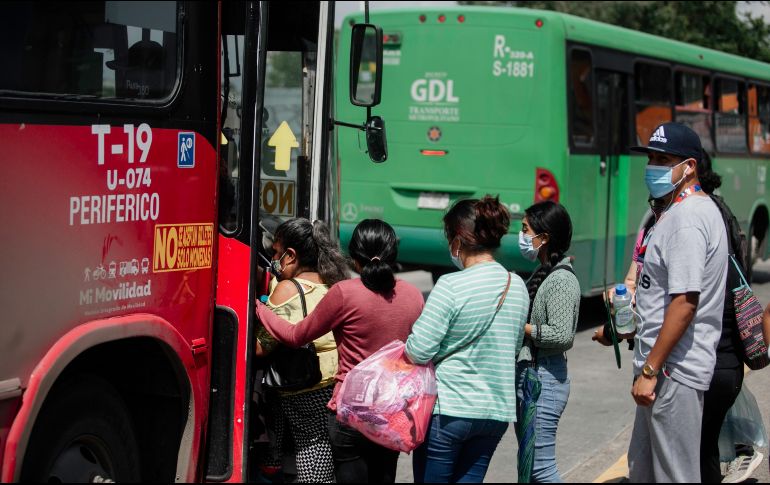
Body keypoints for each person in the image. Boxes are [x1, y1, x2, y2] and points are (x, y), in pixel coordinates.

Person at [256, 219, 424, 483]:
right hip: (392, 412)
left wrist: (261, 311)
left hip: (352, 415)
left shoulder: (344, 293)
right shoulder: (414, 295)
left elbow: (295, 335)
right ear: (393, 253)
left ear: (355, 256)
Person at [627, 122, 728, 483]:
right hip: (662, 369)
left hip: (673, 372)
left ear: (689, 166)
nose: (653, 166)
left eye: (663, 158)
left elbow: (684, 303)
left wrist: (652, 370)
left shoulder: (688, 219)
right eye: (651, 157)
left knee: (675, 476)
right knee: (642, 471)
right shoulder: (676, 213)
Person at [404, 195, 529, 483]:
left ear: (458, 240)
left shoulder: (451, 285)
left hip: (450, 411)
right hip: (495, 413)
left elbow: (419, 351)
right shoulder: (517, 286)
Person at [254, 218, 349, 483]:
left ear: (291, 255)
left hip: (302, 388)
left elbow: (261, 348)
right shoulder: (334, 283)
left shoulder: (287, 289)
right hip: (331, 382)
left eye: (275, 252)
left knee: (313, 458)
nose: (273, 258)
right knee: (320, 452)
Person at [516, 200, 580, 483]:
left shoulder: (561, 281)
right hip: (534, 377)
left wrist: (524, 327)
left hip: (545, 381)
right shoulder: (544, 273)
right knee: (530, 466)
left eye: (525, 229)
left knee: (541, 468)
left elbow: (562, 335)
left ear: (544, 238)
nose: (522, 236)